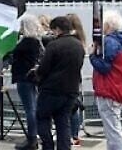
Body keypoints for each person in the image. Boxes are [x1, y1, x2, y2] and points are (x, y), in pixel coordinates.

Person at [35, 16, 85, 150]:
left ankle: (48, 145)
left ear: (57, 29)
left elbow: (44, 68)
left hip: (51, 90)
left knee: (42, 118)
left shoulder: (53, 45)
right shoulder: (78, 45)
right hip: (71, 90)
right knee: (63, 122)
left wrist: (36, 73)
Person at [89, 10, 122, 150]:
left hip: (109, 89)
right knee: (113, 129)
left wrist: (92, 55)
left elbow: (104, 67)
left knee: (113, 132)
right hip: (119, 89)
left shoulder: (108, 42)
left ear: (107, 25)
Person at [11, 14, 44, 150]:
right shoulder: (36, 41)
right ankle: (34, 136)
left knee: (29, 108)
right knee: (33, 107)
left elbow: (13, 53)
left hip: (23, 77)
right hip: (31, 77)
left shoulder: (25, 42)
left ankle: (31, 138)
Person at [67, 13, 87, 146]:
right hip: (76, 76)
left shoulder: (70, 40)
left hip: (68, 77)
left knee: (71, 108)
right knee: (75, 106)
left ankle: (72, 135)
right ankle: (75, 135)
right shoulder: (81, 40)